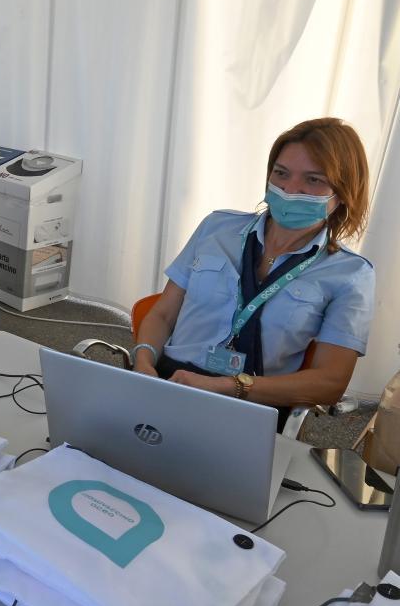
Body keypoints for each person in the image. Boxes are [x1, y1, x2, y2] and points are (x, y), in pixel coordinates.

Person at [133, 118, 375, 430]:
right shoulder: (217, 228)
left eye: (313, 179)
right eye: (281, 173)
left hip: (251, 404)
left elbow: (330, 383)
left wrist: (229, 386)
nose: (290, 190)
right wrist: (143, 362)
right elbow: (163, 314)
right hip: (170, 380)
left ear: (343, 192)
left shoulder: (351, 273)